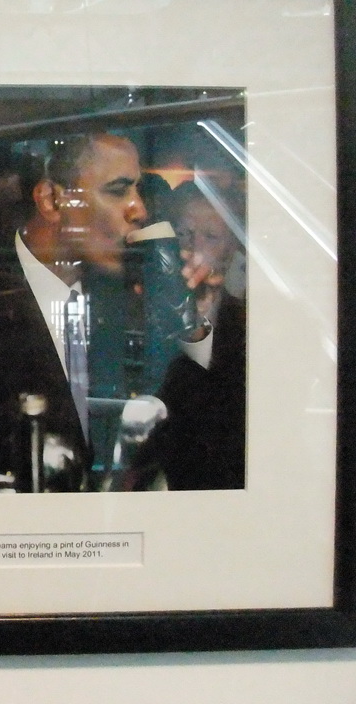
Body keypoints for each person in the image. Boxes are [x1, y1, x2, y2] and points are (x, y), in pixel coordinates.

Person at [0, 133, 216, 490]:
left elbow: (198, 445)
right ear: (53, 200)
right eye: (118, 190)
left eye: (137, 190)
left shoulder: (138, 293)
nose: (139, 210)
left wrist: (195, 324)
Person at [122, 179, 247, 490]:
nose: (192, 246)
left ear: (232, 249)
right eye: (183, 233)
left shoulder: (246, 323)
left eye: (210, 237)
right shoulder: (143, 300)